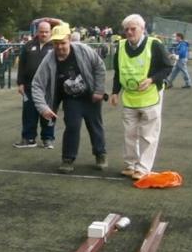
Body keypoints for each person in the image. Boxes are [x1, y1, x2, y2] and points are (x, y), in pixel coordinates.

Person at [30, 23, 107, 174]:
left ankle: (100, 154)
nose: (60, 47)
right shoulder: (49, 59)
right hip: (71, 99)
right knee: (72, 126)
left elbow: (99, 66)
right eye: (56, 43)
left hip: (90, 96)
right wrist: (43, 108)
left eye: (63, 43)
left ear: (70, 40)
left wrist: (98, 90)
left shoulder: (83, 50)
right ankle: (68, 159)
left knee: (95, 126)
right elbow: (37, 84)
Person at [110, 14, 173, 179]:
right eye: (127, 29)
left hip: (150, 97)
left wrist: (152, 79)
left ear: (142, 29)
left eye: (133, 29)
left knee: (148, 134)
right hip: (129, 98)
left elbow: (167, 67)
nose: (130, 32)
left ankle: (143, 168)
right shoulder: (121, 46)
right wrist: (115, 92)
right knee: (129, 133)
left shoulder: (155, 45)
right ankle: (131, 165)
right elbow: (118, 71)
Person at [15, 19, 58, 148]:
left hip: (49, 87)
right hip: (29, 86)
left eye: (46, 32)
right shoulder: (28, 45)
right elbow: (21, 65)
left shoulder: (55, 46)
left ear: (50, 32)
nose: (44, 34)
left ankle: (48, 138)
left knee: (48, 112)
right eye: (41, 32)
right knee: (29, 113)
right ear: (37, 32)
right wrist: (20, 83)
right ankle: (28, 138)